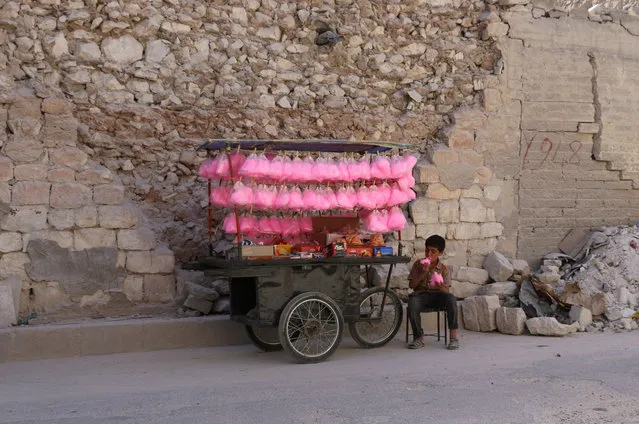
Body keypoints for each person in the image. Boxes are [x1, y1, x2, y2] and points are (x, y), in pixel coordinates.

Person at [407, 235, 459, 350]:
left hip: (438, 296)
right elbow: (412, 286)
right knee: (412, 302)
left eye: (433, 251)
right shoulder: (418, 264)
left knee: (451, 299)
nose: (428, 254)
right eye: (427, 250)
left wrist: (440, 286)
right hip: (421, 296)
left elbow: (446, 290)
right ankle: (418, 338)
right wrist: (422, 273)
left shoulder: (444, 269)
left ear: (440, 253)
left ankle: (453, 338)